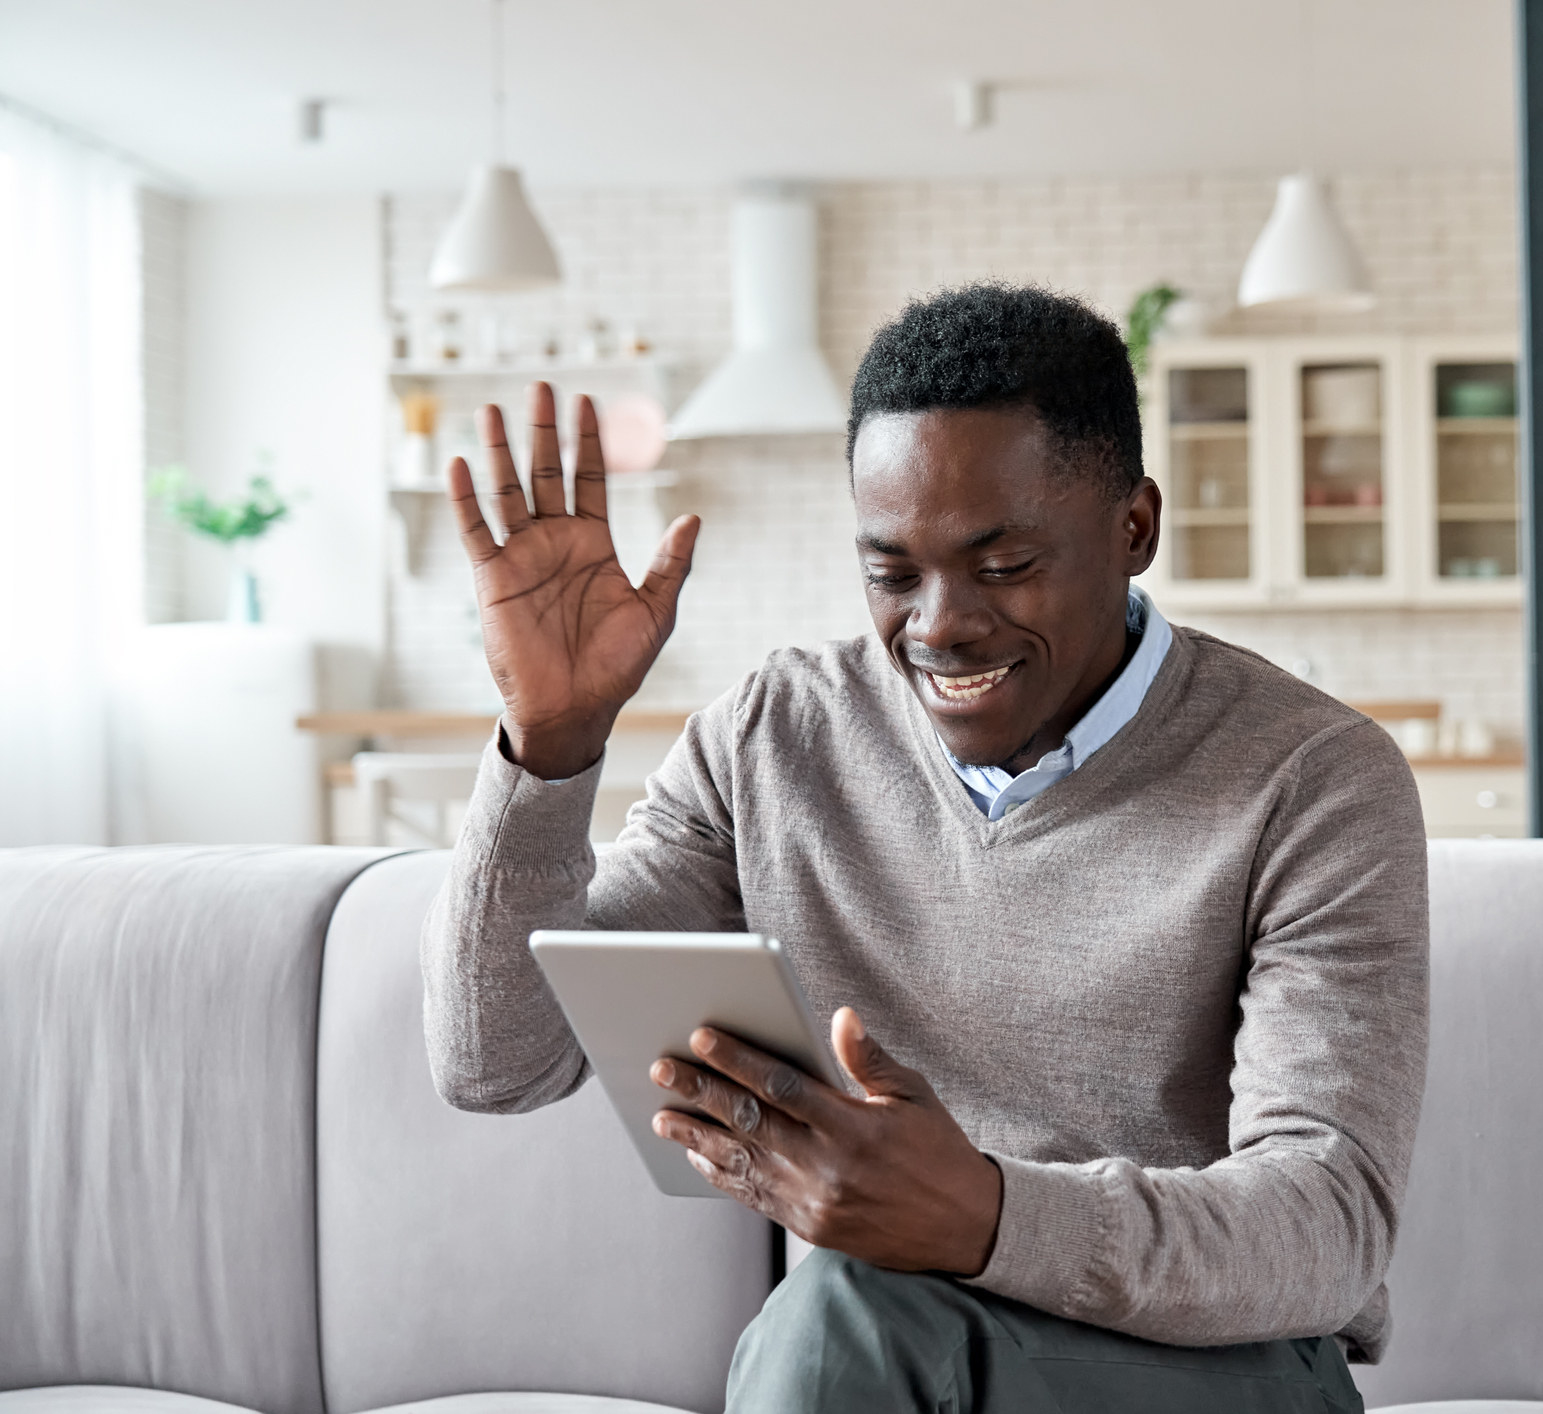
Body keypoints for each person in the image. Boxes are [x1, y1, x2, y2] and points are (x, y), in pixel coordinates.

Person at [422, 283, 1428, 1413]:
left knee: (844, 1317)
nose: (938, 623)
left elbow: (1326, 1221)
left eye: (1002, 567)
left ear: (1134, 528)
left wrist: (988, 1216)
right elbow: (495, 1061)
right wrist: (550, 749)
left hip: (1220, 1369)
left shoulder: (1315, 776)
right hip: (883, 1358)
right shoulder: (773, 738)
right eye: (892, 572)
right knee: (851, 1318)